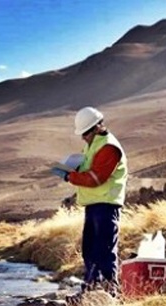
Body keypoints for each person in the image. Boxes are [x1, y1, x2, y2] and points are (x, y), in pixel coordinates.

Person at [51, 106, 128, 296]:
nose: (83, 137)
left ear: (97, 127)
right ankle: (91, 289)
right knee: (90, 250)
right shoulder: (92, 145)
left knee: (104, 249)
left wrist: (70, 177)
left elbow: (96, 178)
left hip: (106, 205)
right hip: (94, 205)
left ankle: (110, 292)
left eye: (85, 133)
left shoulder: (109, 147)